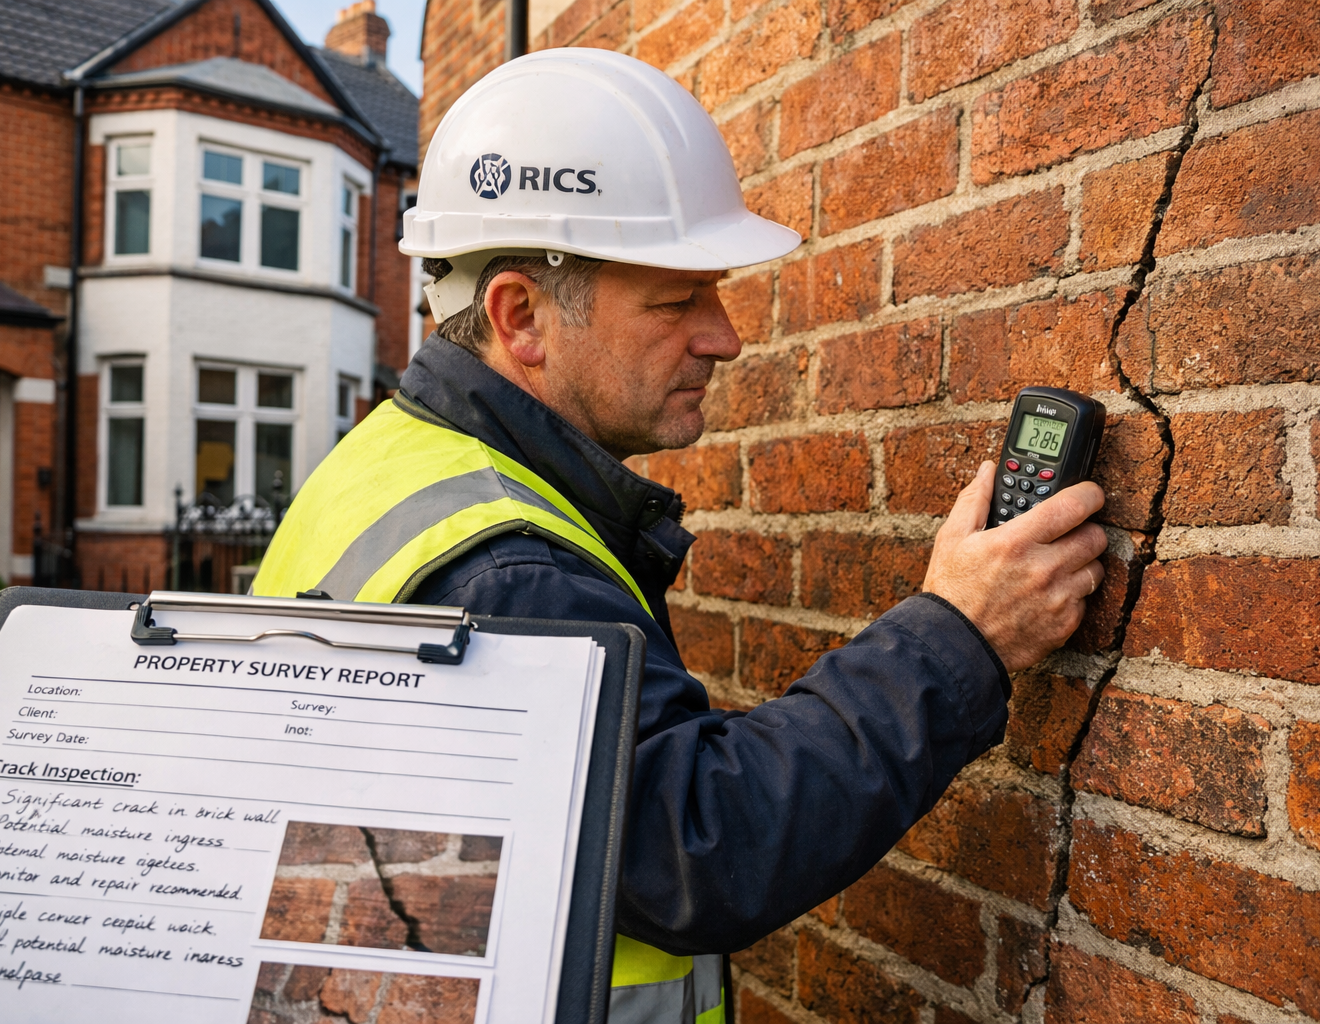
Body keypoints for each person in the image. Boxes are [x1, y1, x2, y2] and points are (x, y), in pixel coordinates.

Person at [254, 48, 1107, 1024]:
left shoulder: (387, 462)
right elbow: (702, 843)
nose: (725, 335)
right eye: (677, 299)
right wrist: (964, 632)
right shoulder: (509, 567)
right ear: (520, 315)